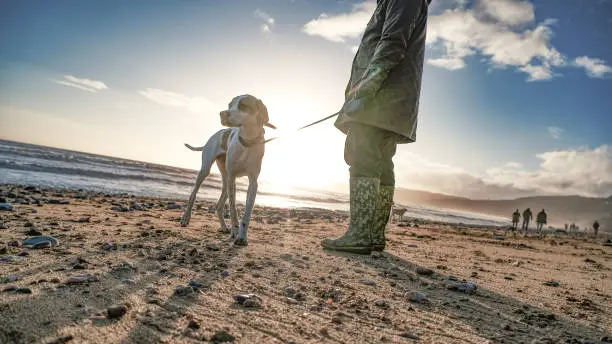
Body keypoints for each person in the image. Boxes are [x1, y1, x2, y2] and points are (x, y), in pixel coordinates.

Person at [321, 0, 431, 254]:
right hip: (392, 101)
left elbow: (392, 42)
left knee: (363, 158)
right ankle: (372, 236)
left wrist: (365, 89)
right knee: (381, 163)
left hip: (379, 99)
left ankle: (360, 235)